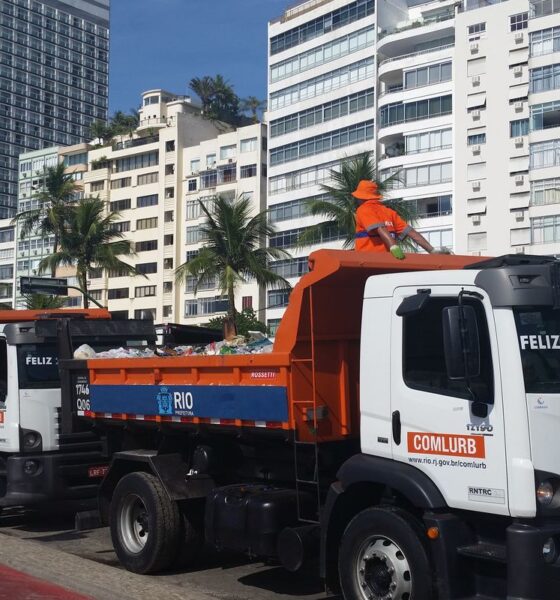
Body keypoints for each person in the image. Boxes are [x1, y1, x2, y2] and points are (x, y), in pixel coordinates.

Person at [352, 180, 447, 259]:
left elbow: (380, 228)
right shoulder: (389, 212)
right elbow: (412, 233)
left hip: (368, 259)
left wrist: (393, 246)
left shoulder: (363, 209)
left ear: (360, 197)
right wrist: (432, 250)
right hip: (389, 259)